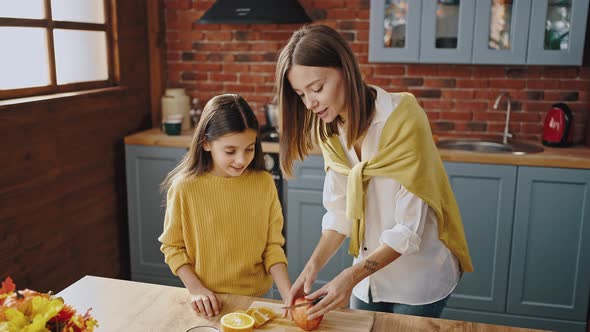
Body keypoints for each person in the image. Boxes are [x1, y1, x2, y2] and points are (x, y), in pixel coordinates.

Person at [275, 24, 473, 320]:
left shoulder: (403, 119)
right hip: (366, 281)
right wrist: (311, 269)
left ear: (345, 70)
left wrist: (349, 277)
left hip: (418, 280)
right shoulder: (330, 132)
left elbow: (408, 230)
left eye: (316, 88)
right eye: (301, 94)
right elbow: (340, 212)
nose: (310, 102)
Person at [158, 93, 291, 317]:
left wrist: (288, 294)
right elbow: (173, 247)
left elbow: (273, 247)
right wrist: (196, 289)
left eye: (249, 148)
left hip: (258, 300)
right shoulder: (184, 188)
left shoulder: (264, 183)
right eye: (230, 151)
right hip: (208, 302)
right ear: (206, 143)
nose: (241, 160)